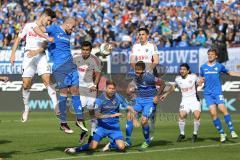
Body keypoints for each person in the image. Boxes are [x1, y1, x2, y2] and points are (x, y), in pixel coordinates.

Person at [33, 17, 88, 134]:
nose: (73, 30)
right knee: (63, 93)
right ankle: (63, 123)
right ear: (68, 24)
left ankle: (80, 119)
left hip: (71, 66)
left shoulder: (67, 36)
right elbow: (37, 28)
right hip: (59, 67)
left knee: (75, 92)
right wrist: (47, 38)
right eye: (72, 27)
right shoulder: (54, 28)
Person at [9, 8, 58, 122]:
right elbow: (18, 39)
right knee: (26, 84)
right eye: (49, 20)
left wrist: (37, 51)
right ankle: (26, 108)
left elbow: (45, 45)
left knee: (47, 79)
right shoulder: (28, 25)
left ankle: (56, 105)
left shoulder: (47, 30)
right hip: (28, 56)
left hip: (41, 56)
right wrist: (12, 54)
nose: (49, 23)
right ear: (44, 16)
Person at [64, 80, 139, 153]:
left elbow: (129, 107)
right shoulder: (100, 99)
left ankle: (111, 145)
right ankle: (75, 149)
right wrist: (111, 115)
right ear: (105, 89)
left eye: (113, 89)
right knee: (93, 147)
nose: (112, 90)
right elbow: (97, 115)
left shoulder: (118, 97)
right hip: (102, 127)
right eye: (109, 88)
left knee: (122, 147)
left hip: (114, 128)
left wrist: (135, 119)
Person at [199, 48, 240, 142]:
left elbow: (230, 73)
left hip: (217, 92)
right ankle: (222, 133)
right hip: (208, 93)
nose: (210, 55)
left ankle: (232, 131)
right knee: (213, 114)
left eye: (212, 54)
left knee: (223, 109)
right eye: (209, 54)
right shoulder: (203, 67)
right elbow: (201, 78)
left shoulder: (219, 66)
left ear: (216, 56)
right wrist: (199, 81)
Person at [73, 41, 102, 143]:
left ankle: (93, 133)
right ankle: (83, 131)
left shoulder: (95, 60)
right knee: (78, 110)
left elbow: (98, 74)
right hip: (80, 88)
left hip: (91, 88)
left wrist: (94, 85)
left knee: (90, 109)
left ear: (90, 51)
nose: (85, 52)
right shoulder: (76, 59)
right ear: (81, 50)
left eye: (87, 50)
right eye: (83, 50)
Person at [171, 63, 201, 142]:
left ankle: (194, 134)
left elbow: (199, 82)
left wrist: (200, 82)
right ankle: (182, 134)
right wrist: (166, 93)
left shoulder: (193, 76)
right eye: (181, 69)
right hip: (185, 101)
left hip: (194, 100)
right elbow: (173, 86)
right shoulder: (177, 78)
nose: (182, 71)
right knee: (181, 115)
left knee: (197, 116)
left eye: (184, 69)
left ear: (188, 71)